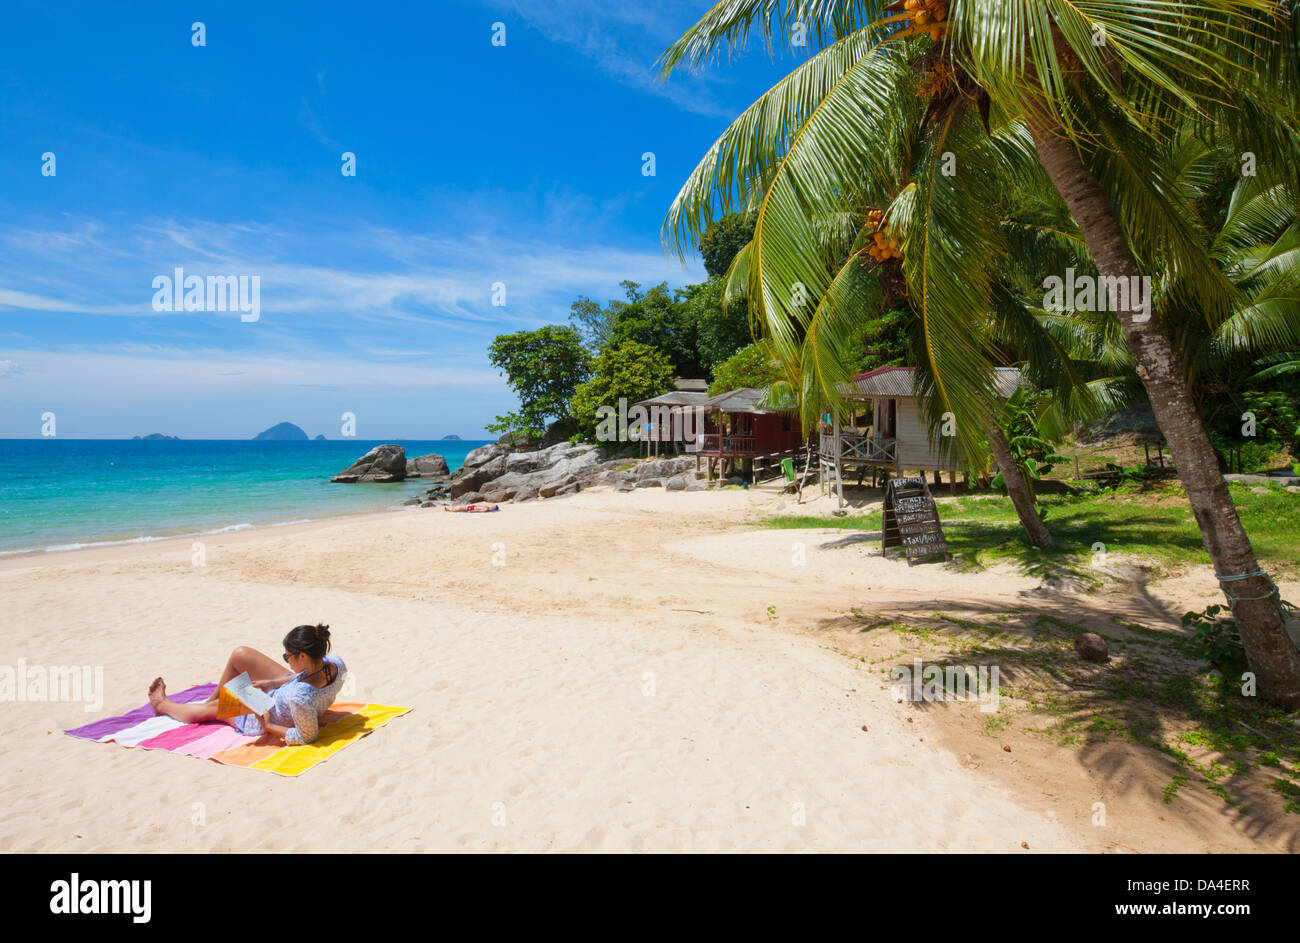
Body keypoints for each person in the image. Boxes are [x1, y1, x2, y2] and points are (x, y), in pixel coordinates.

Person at [147, 623, 346, 745]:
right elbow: (304, 680)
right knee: (240, 654)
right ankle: (212, 699)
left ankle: (162, 705)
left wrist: (268, 726)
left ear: (302, 656)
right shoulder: (336, 663)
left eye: (288, 657)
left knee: (210, 710)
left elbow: (307, 737)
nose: (286, 659)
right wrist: (274, 682)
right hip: (287, 693)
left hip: (264, 714)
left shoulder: (299, 697)